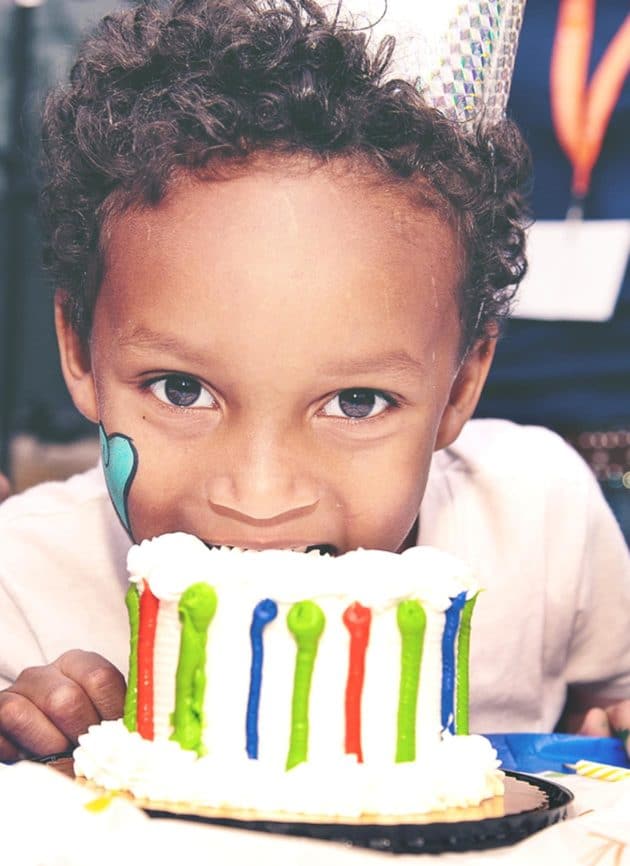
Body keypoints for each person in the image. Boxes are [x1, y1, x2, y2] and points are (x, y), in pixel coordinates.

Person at [0, 0, 629, 764]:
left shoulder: (540, 523)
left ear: (462, 384)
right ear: (77, 349)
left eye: (355, 403)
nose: (260, 499)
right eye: (180, 390)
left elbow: (608, 703)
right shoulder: (22, 587)